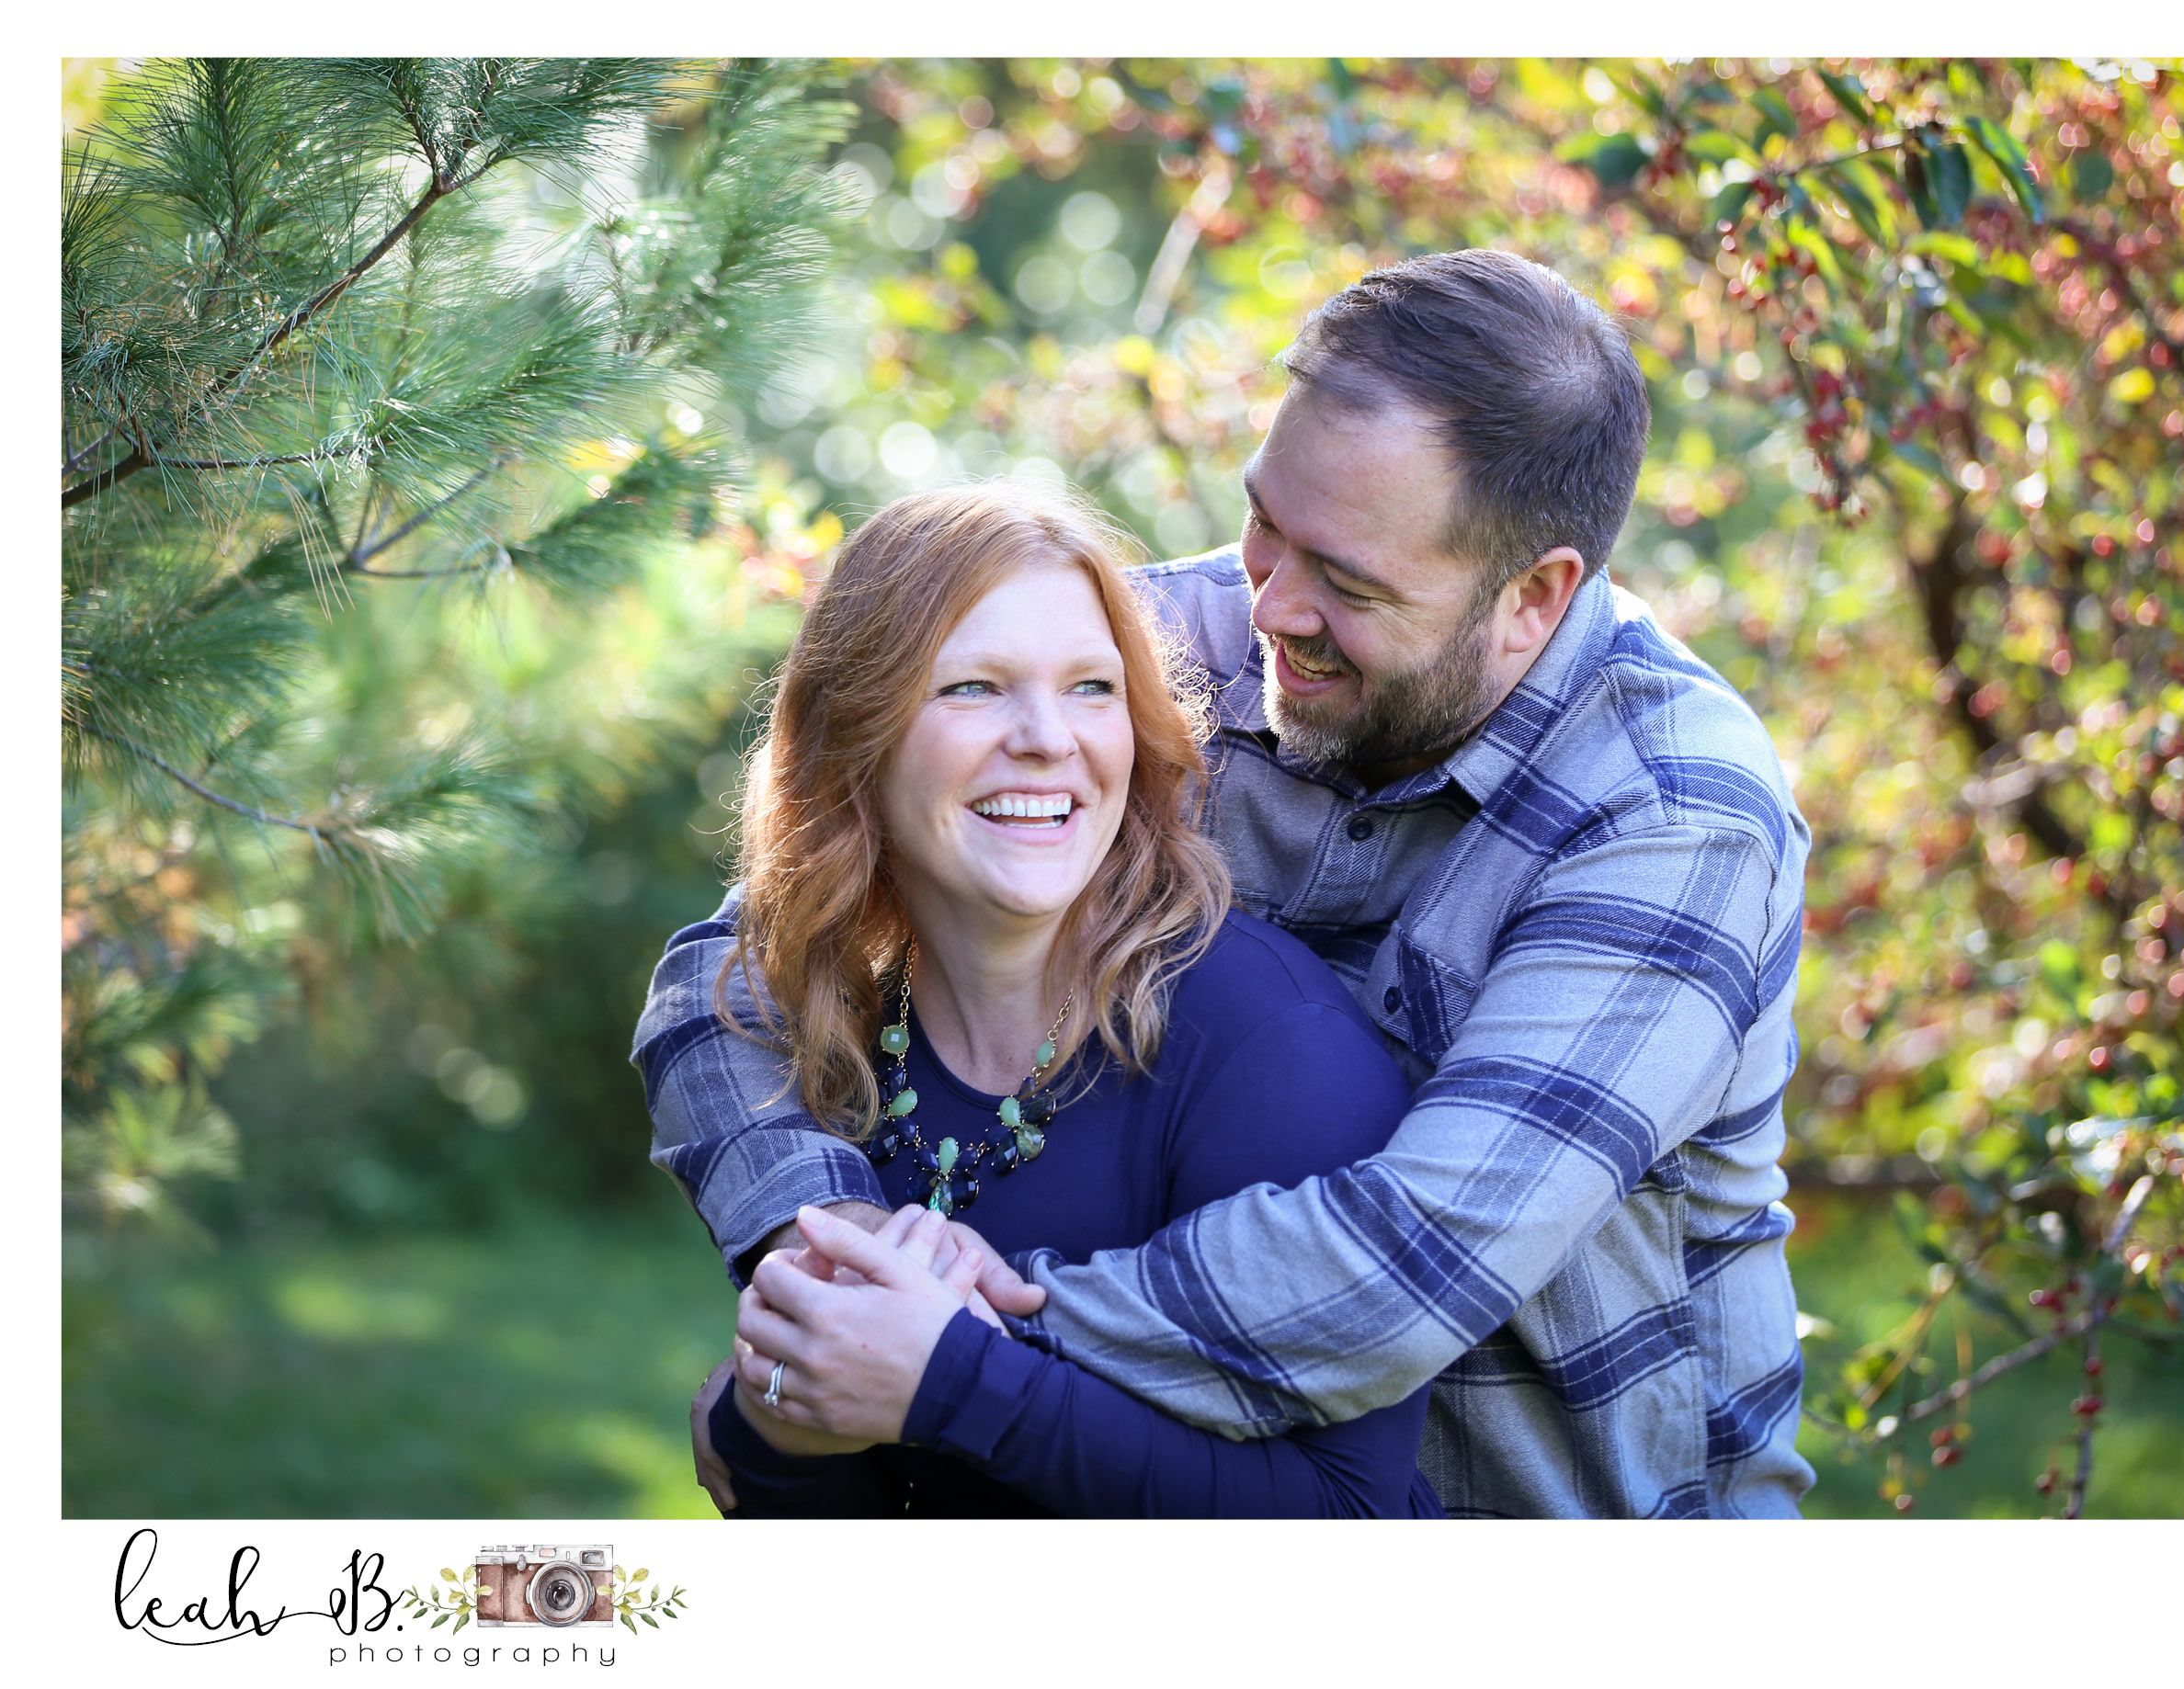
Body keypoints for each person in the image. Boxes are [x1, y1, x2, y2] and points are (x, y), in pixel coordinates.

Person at [640, 249, 1814, 1519]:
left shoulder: (1669, 817)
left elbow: (1398, 1271)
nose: (1271, 607)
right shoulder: (1165, 649)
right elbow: (746, 963)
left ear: (1531, 597)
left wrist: (943, 1340)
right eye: (1264, 522)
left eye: (1348, 583)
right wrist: (825, 1250)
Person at [682, 479, 1440, 1517]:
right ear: (854, 736)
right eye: (973, 687)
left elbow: (1355, 1526)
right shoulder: (842, 1028)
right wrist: (771, 1427)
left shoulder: (1270, 1049)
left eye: (1091, 687)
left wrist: (954, 1385)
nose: (1047, 737)